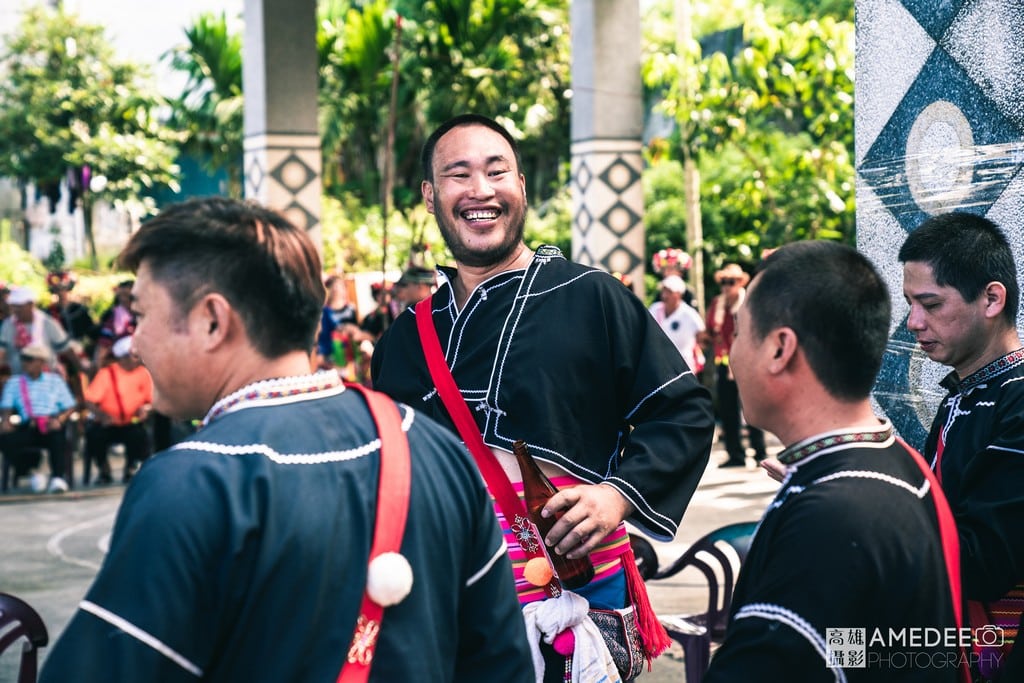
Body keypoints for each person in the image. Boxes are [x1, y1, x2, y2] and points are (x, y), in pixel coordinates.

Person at [40, 197, 531, 683]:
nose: (137, 340)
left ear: (213, 320)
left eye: (142, 314)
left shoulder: (190, 481)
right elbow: (500, 662)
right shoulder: (431, 445)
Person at [370, 113, 714, 681]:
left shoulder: (591, 295)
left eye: (496, 171)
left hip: (575, 588)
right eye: (459, 175)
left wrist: (617, 496)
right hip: (447, 596)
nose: (480, 190)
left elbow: (682, 411)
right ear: (430, 196)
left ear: (521, 187)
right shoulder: (405, 339)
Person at [705, 241, 961, 682]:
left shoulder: (832, 517)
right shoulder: (891, 460)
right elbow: (881, 648)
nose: (733, 357)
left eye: (740, 333)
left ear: (780, 349)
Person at [899, 211, 1024, 681]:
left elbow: (983, 562)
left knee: (835, 651)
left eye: (929, 304)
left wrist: (867, 502)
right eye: (911, 303)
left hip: (991, 649)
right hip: (951, 634)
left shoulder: (1018, 400)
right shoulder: (967, 392)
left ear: (992, 299)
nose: (913, 322)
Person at [702, 263, 767, 466]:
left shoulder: (749, 302)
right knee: (728, 409)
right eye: (723, 282)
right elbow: (710, 330)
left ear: (740, 283)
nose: (726, 286)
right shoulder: (717, 304)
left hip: (746, 361)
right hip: (724, 362)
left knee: (752, 407)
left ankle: (760, 452)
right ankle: (735, 454)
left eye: (731, 282)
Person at [0, 343, 77, 493]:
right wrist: (6, 421)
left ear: (41, 362)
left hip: (50, 422)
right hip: (28, 424)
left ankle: (57, 477)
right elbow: (6, 405)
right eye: (24, 359)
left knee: (57, 437)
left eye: (30, 359)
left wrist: (60, 419)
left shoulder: (55, 381)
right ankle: (31, 471)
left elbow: (69, 405)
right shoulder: (15, 382)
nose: (25, 363)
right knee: (6, 439)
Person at [81, 335, 153, 484]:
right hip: (108, 423)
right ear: (123, 357)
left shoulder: (143, 373)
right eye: (134, 356)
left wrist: (145, 410)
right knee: (94, 435)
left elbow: (151, 400)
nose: (138, 359)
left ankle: (131, 469)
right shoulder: (107, 373)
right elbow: (89, 400)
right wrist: (102, 415)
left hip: (131, 422)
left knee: (138, 435)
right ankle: (104, 469)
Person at [0, 286, 80, 378]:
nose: (16, 310)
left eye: (19, 306)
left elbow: (66, 348)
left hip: (48, 378)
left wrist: (81, 368)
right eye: (14, 306)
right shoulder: (8, 325)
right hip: (19, 379)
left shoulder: (47, 323)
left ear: (30, 305)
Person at [649, 274, 705, 374]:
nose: (665, 295)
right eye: (664, 291)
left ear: (679, 294)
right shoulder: (654, 309)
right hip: (659, 366)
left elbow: (703, 337)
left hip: (683, 368)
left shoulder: (689, 314)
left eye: (669, 292)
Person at [94, 279, 137, 367]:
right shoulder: (113, 316)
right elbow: (104, 344)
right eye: (121, 296)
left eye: (127, 296)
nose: (124, 299)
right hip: (120, 362)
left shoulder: (142, 315)